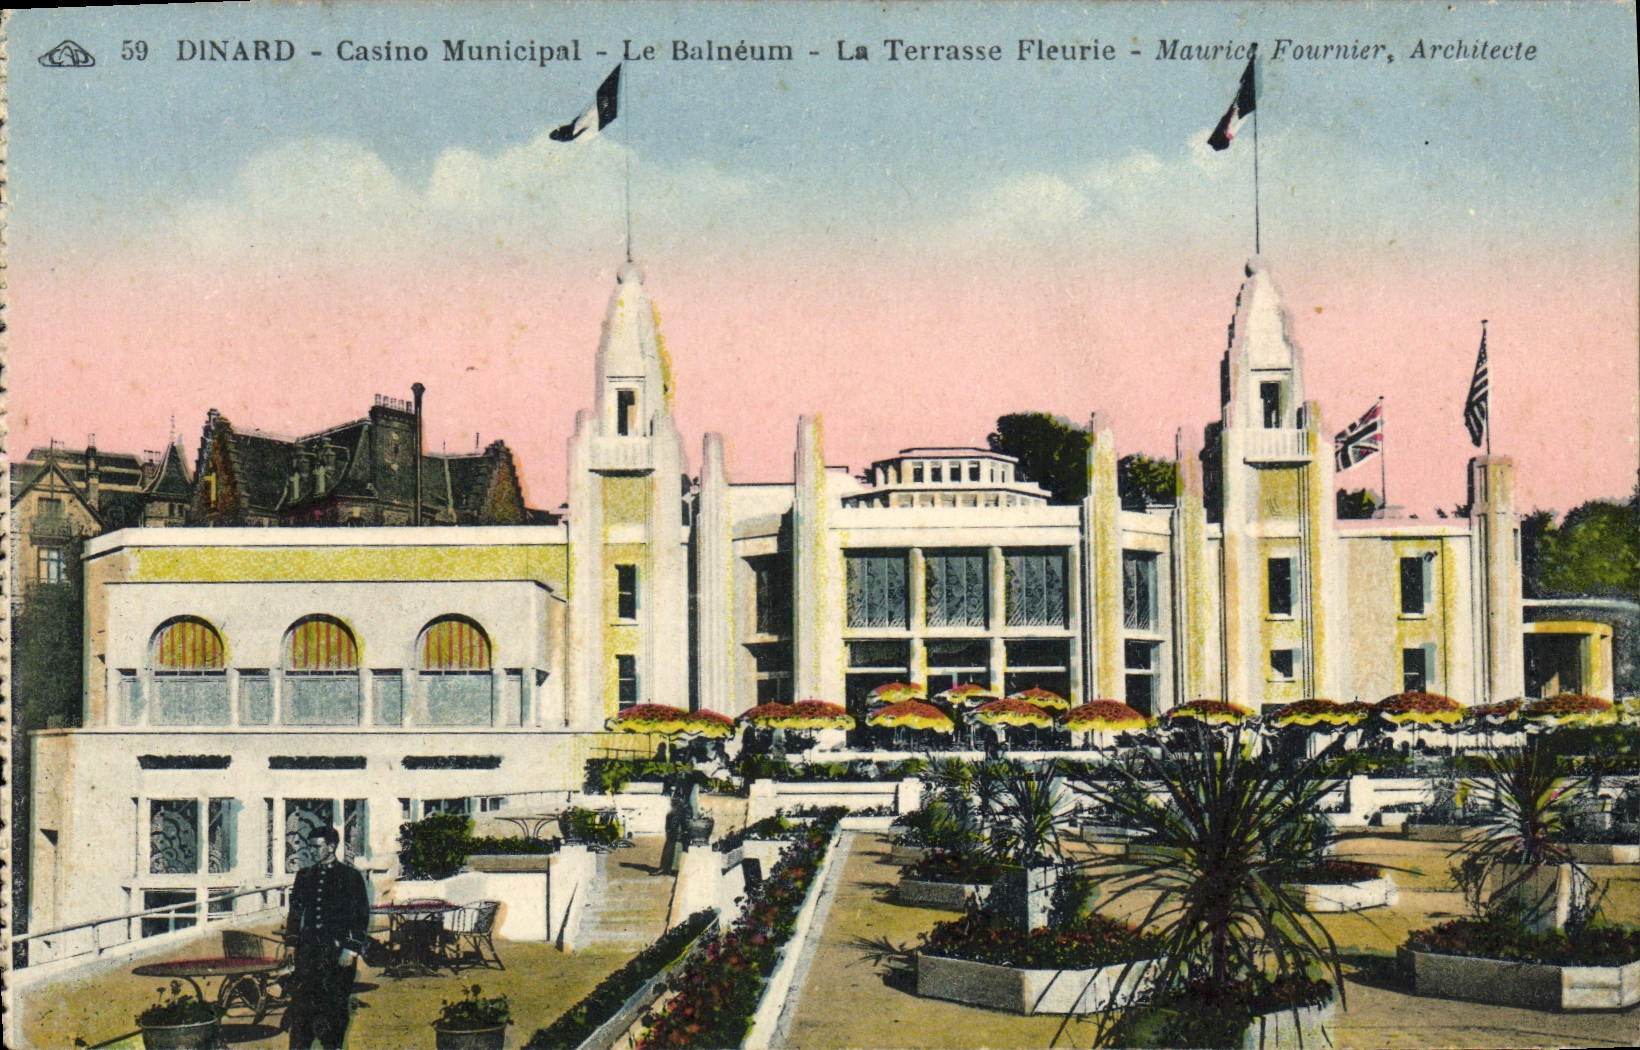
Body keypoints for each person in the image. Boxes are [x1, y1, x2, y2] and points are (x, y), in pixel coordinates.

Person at [283, 826, 371, 1050]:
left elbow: (360, 916)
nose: (311, 851)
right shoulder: (304, 876)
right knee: (302, 1009)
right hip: (309, 953)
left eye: (316, 847)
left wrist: (350, 949)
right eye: (309, 846)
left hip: (337, 953)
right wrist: (292, 944)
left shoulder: (350, 876)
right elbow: (295, 912)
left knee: (334, 1010)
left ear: (331, 847)